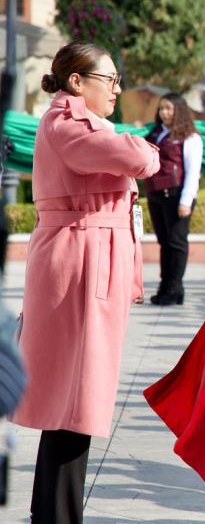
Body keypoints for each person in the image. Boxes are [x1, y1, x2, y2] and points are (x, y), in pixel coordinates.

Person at [12, 41, 159, 523]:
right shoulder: (67, 123)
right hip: (80, 262)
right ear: (77, 81)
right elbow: (140, 158)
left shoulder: (77, 122)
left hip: (88, 259)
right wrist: (143, 146)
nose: (116, 89)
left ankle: (54, 514)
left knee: (76, 404)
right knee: (75, 402)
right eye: (109, 79)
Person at [144, 93, 204, 306]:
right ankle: (167, 288)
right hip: (156, 195)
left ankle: (173, 288)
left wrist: (186, 201)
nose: (164, 112)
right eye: (161, 108)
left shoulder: (190, 137)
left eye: (169, 108)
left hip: (177, 196)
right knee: (164, 243)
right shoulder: (156, 132)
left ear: (179, 110)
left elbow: (193, 172)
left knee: (176, 244)